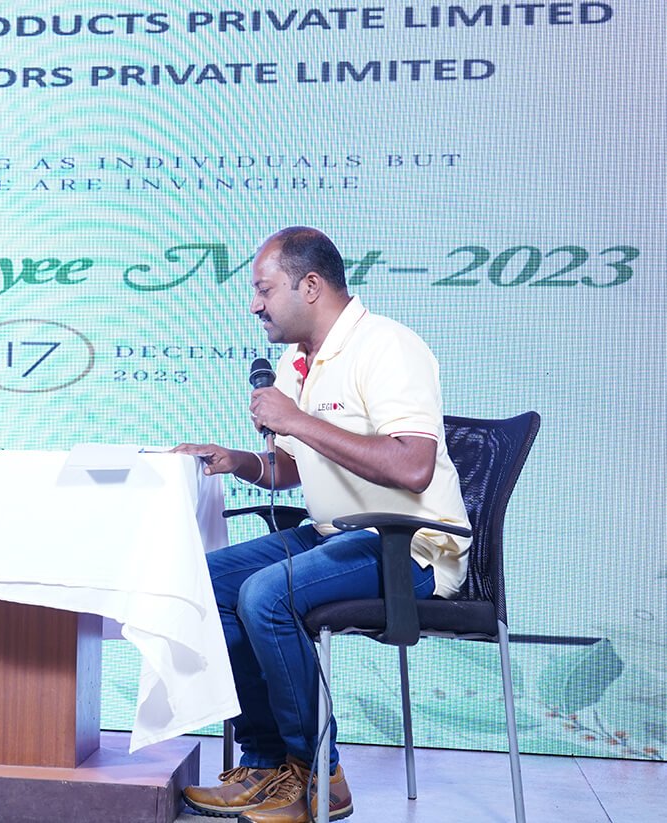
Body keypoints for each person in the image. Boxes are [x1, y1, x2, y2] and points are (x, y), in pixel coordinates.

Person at [174, 227, 470, 822]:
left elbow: (413, 466)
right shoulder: (298, 362)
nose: (254, 305)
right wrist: (238, 461)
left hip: (407, 545)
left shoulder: (387, 346)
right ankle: (264, 764)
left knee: (265, 595)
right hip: (335, 534)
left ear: (310, 286)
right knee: (201, 582)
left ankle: (319, 779)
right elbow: (290, 467)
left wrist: (297, 421)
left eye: (263, 289)